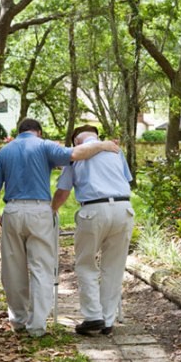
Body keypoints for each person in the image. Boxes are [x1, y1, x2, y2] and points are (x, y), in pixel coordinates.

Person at [0, 118, 119, 337]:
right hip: (40, 210)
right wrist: (104, 145)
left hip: (12, 210)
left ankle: (18, 320)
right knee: (41, 267)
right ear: (38, 132)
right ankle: (37, 326)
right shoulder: (45, 145)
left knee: (12, 268)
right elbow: (76, 154)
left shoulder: (4, 152)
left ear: (19, 132)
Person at [51, 125, 134, 336]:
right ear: (96, 136)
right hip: (124, 209)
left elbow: (63, 191)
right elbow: (126, 180)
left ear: (76, 142)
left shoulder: (76, 155)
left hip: (93, 210)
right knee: (114, 267)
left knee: (86, 263)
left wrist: (50, 211)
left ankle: (93, 316)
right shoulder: (116, 151)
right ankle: (108, 320)